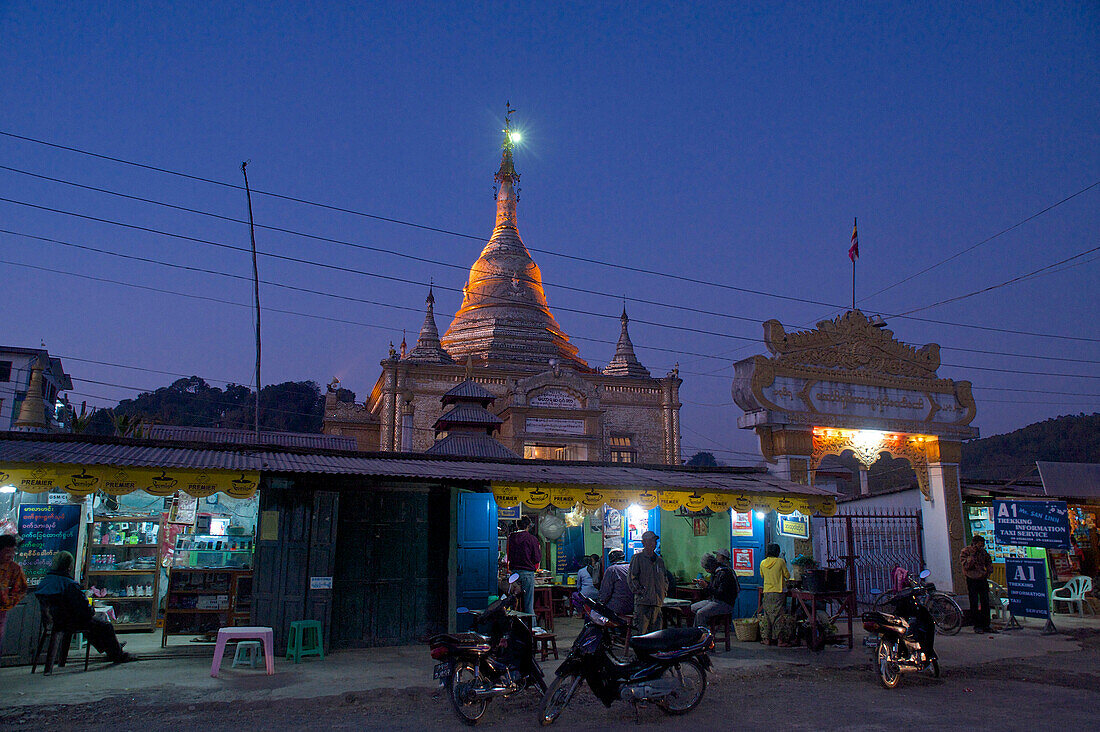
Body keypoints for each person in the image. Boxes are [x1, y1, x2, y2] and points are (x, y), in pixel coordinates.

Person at [35, 551, 134, 663]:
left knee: (95, 626)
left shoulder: (46, 581)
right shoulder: (69, 584)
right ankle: (117, 654)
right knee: (105, 625)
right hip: (69, 621)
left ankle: (112, 648)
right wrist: (91, 609)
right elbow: (83, 609)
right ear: (69, 567)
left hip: (53, 621)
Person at [628, 530, 668, 635]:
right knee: (642, 631)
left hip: (657, 602)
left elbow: (665, 578)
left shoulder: (659, 560)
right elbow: (632, 578)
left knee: (656, 632)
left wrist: (663, 592)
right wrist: (641, 592)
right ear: (643, 543)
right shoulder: (638, 558)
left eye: (654, 541)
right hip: (643, 602)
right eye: (649, 541)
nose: (652, 544)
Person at [692, 551, 739, 628]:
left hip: (725, 603)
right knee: (692, 607)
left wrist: (707, 586)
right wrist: (703, 584)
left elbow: (720, 594)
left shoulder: (724, 573)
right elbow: (713, 588)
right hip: (714, 600)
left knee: (701, 613)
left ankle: (701, 635)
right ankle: (696, 630)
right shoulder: (715, 573)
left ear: (710, 567)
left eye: (706, 568)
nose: (706, 570)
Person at [506, 516, 542, 618]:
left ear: (517, 525)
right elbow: (537, 558)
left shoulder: (511, 538)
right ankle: (531, 628)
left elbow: (508, 556)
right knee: (528, 604)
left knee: (513, 603)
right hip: (527, 574)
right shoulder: (532, 539)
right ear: (529, 526)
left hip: (514, 575)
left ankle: (512, 627)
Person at [961, 535, 996, 634]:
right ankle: (977, 625)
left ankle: (986, 625)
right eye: (979, 545)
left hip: (982, 578)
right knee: (974, 602)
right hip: (972, 579)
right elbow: (967, 566)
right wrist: (972, 554)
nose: (981, 547)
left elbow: (988, 561)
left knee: (985, 601)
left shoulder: (983, 552)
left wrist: (988, 571)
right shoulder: (965, 552)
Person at [759, 543, 792, 646]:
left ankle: (766, 639)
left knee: (767, 615)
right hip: (778, 592)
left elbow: (762, 575)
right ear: (777, 552)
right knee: (778, 616)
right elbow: (787, 575)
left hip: (767, 592)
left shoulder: (762, 563)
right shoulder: (780, 562)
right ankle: (780, 640)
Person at [0, 534, 28, 648]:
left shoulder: (14, 569)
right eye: (7, 551)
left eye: (13, 551)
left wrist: (9, 601)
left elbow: (21, 589)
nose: (10, 555)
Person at [598, 549, 633, 617]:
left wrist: (600, 603)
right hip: (633, 606)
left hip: (617, 607)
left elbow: (605, 592)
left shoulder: (612, 570)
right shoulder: (631, 567)